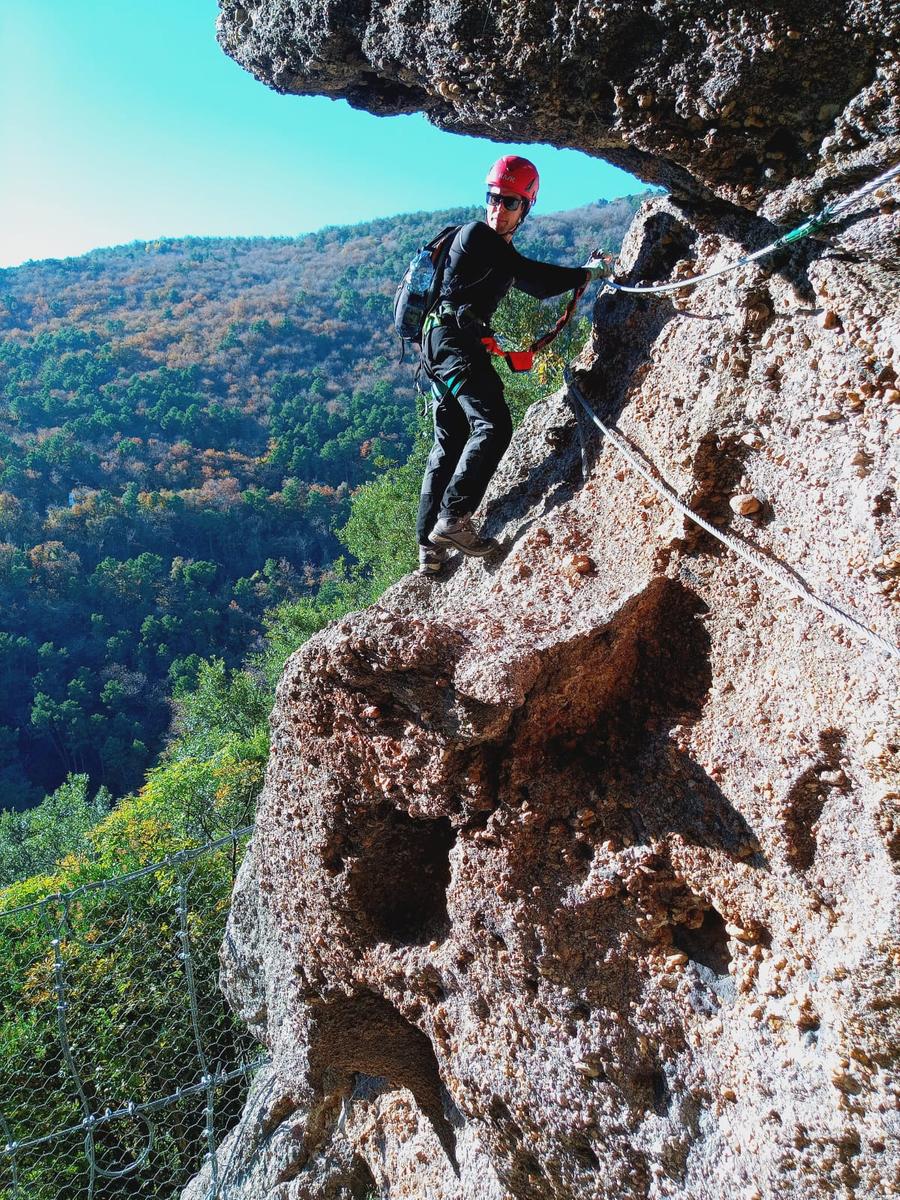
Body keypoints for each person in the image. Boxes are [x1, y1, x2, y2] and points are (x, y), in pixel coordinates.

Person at [416, 154, 605, 575]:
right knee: (493, 423)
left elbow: (520, 275)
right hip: (453, 342)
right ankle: (453, 520)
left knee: (451, 439)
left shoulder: (490, 249)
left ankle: (428, 545)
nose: (498, 209)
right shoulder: (477, 236)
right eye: (494, 198)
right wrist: (585, 275)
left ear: (526, 206)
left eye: (510, 202)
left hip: (438, 344)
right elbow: (534, 281)